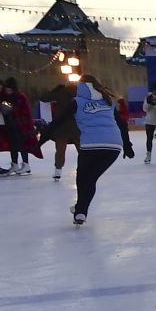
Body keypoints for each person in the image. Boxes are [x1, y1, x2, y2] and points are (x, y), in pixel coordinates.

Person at [69, 75, 127, 224]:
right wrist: (127, 144)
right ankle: (80, 209)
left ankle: (81, 210)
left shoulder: (78, 101)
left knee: (83, 177)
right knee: (90, 178)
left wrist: (40, 141)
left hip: (90, 145)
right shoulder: (108, 101)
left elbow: (59, 120)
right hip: (113, 146)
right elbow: (121, 123)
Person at [41, 81, 81, 180]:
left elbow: (44, 98)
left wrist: (56, 89)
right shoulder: (79, 94)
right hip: (76, 126)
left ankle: (58, 171)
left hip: (61, 126)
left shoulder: (61, 93)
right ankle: (87, 168)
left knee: (60, 151)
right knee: (82, 149)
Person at [142, 83, 156, 162]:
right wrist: (150, 104)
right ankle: (148, 156)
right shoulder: (148, 97)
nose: (155, 92)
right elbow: (145, 109)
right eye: (153, 90)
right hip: (149, 121)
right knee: (149, 139)